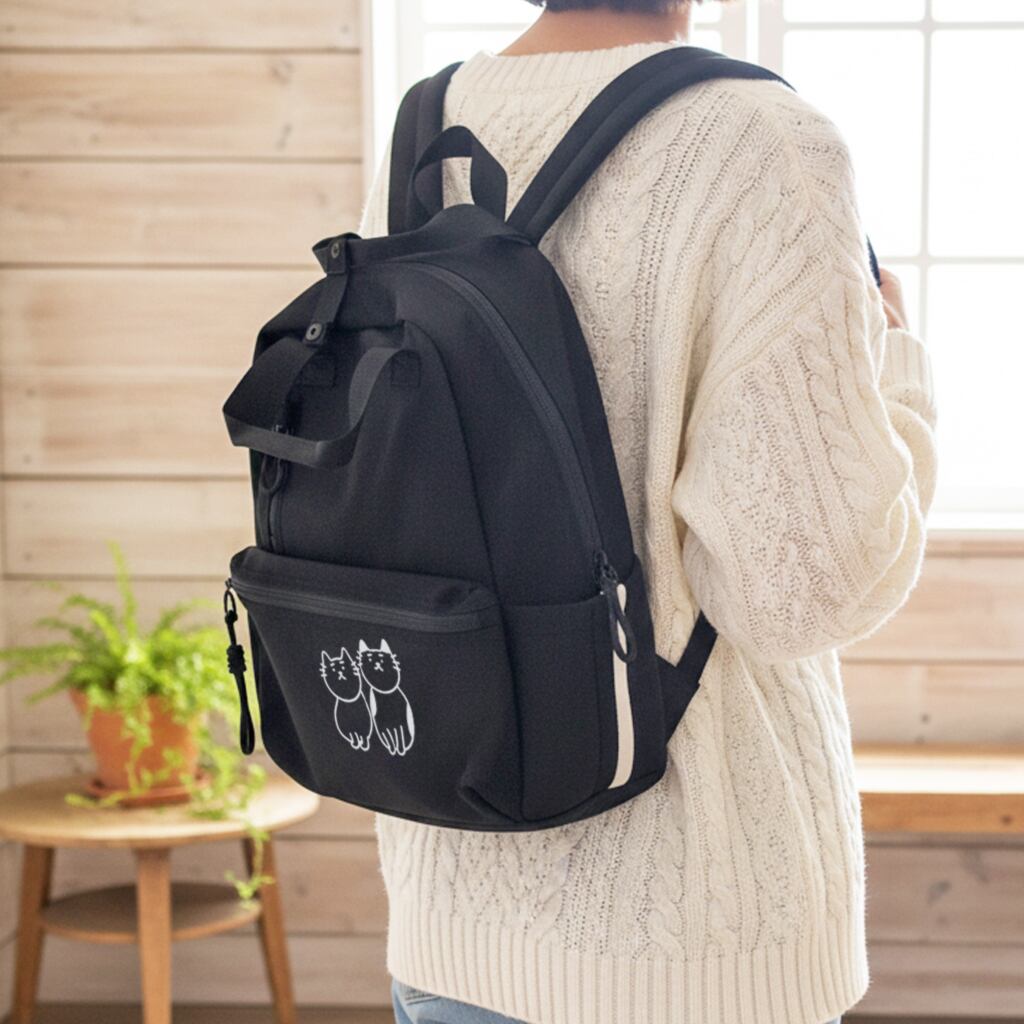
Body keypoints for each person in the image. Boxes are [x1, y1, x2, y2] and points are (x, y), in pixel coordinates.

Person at [357, 1, 936, 1022]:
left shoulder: (426, 129)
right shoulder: (766, 141)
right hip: (695, 956)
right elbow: (800, 592)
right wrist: (897, 375)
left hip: (448, 907)